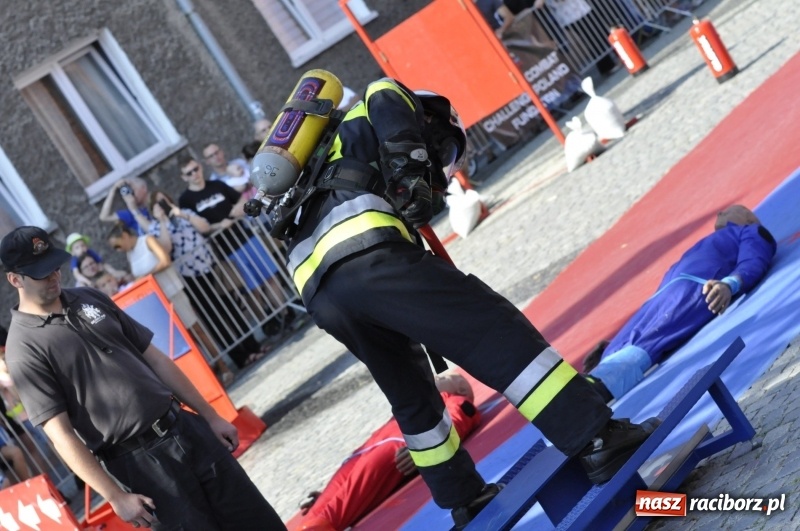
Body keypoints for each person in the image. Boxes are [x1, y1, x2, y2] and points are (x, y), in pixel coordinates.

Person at [249, 77, 658, 528]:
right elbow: (392, 109)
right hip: (366, 253)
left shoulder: (326, 159)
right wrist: (410, 173)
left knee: (410, 395)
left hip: (319, 290)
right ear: (429, 118)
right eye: (442, 151)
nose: (441, 168)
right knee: (492, 330)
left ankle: (467, 501)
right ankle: (595, 438)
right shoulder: (381, 99)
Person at [0, 226, 285, 530]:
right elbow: (61, 435)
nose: (54, 276)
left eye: (55, 266)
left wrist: (209, 415)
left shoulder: (88, 297)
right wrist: (113, 495)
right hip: (140, 463)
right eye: (42, 273)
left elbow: (157, 359)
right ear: (15, 279)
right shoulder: (23, 348)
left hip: (184, 428)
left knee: (258, 521)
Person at [584, 205, 776, 401]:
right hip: (661, 296)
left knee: (651, 338)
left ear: (750, 218)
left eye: (731, 211)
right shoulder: (712, 240)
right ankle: (594, 376)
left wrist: (730, 283)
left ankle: (598, 388)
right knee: (631, 338)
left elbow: (754, 259)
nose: (720, 214)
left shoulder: (750, 230)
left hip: (693, 290)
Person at [296, 370, 483, 531]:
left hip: (392, 451)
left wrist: (425, 447)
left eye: (445, 377)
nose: (436, 377)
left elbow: (457, 420)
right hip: (363, 453)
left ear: (461, 388)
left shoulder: (453, 400)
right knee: (319, 512)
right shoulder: (416, 401)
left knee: (337, 510)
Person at [177, 155, 292, 339]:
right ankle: (269, 323)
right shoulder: (186, 200)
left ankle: (286, 315)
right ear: (184, 177)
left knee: (270, 276)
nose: (194, 174)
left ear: (200, 167)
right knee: (251, 288)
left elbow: (239, 200)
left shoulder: (216, 185)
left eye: (195, 169)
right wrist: (219, 226)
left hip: (245, 237)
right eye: (189, 173)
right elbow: (196, 227)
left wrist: (235, 212)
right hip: (226, 248)